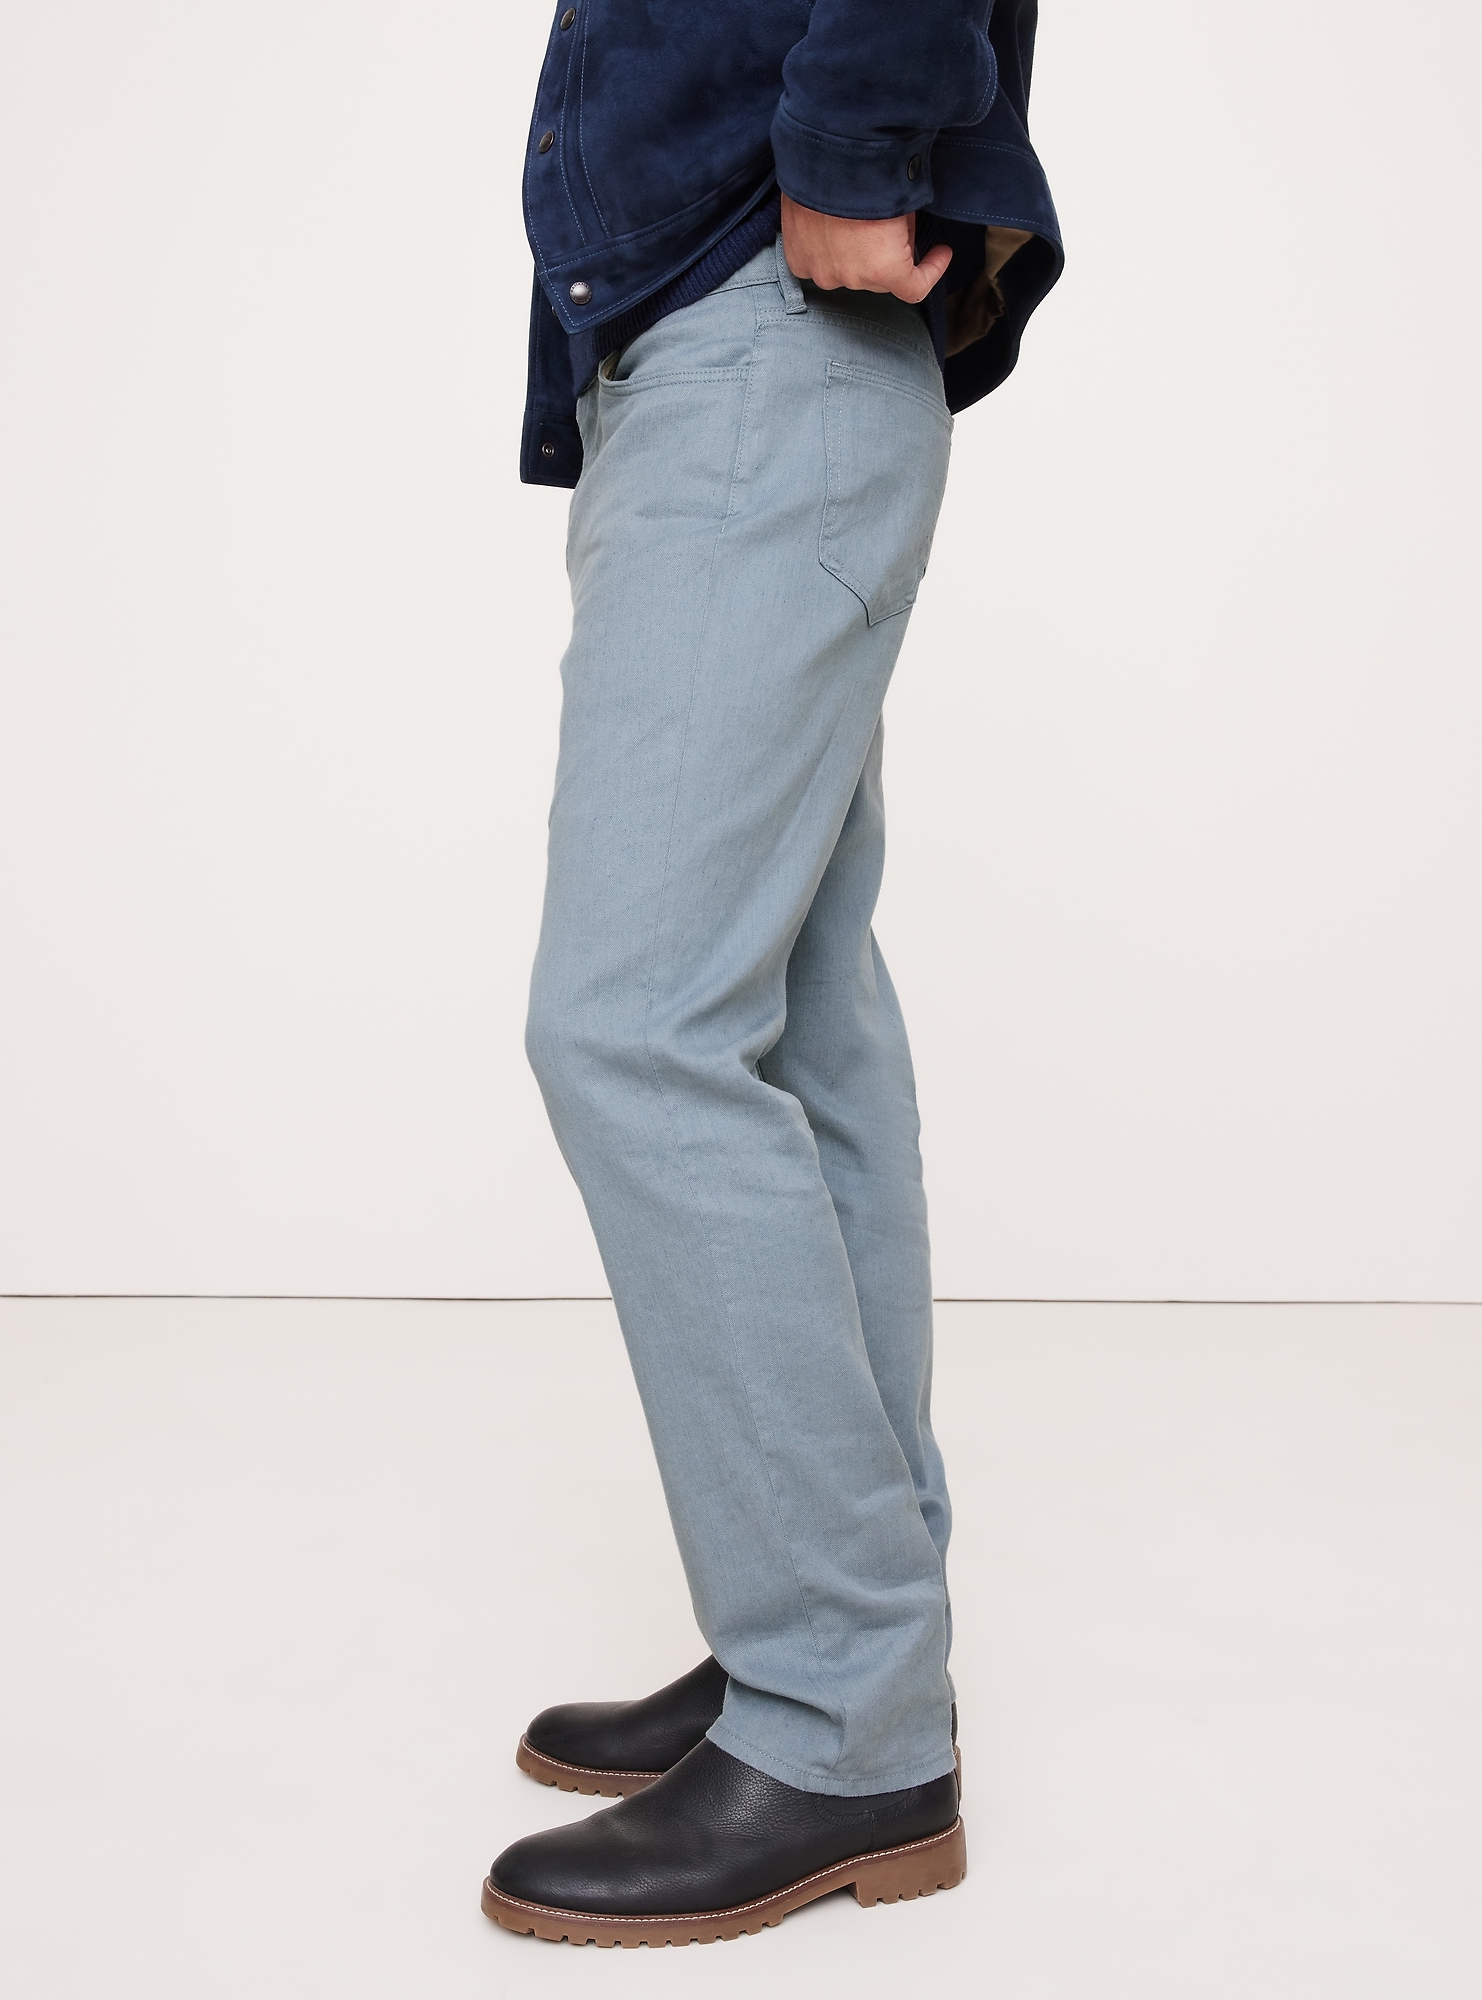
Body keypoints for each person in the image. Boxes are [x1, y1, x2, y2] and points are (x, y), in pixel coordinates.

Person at [482, 0, 1061, 1948]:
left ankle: (840, 1704)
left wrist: (853, 148)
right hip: (737, 351)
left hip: (766, 326)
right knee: (794, 1025)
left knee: (634, 1024)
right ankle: (833, 1646)